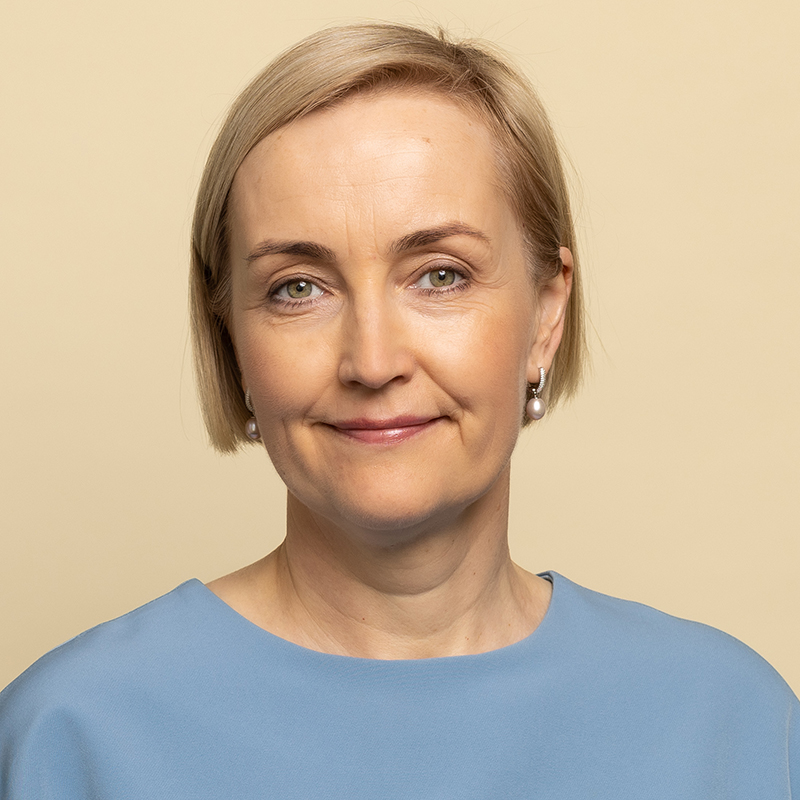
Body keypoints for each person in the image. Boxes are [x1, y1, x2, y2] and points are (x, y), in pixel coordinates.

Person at [0, 22, 797, 798]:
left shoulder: (735, 726)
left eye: (441, 275)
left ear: (546, 315)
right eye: (297, 288)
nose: (373, 362)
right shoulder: (66, 735)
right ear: (231, 337)